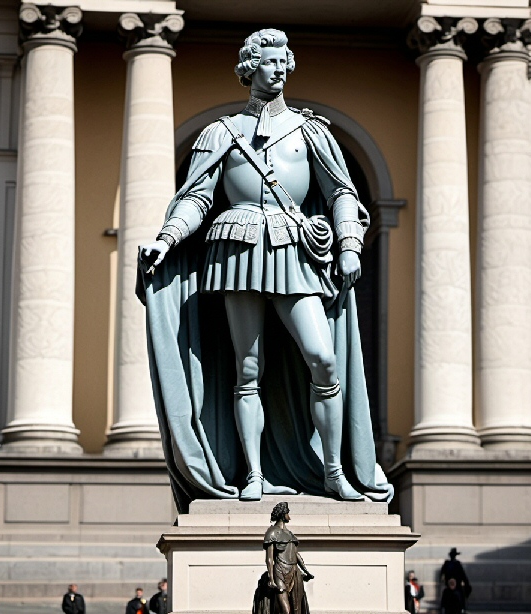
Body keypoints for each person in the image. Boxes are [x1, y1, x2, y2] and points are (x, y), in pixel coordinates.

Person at [138, 27, 393, 511]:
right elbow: (196, 197)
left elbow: (341, 192)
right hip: (236, 248)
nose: (279, 69)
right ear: (248, 69)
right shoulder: (221, 133)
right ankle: (253, 474)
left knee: (323, 359)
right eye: (269, 62)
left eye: (284, 61)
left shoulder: (311, 131)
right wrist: (166, 239)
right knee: (247, 369)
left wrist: (350, 246)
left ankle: (334, 470)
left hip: (294, 248)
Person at [252, 502, 313, 614]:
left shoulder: (289, 534)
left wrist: (306, 571)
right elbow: (269, 559)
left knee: (297, 610)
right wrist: (271, 578)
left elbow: (296, 555)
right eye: (287, 514)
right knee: (286, 611)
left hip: (294, 572)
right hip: (279, 572)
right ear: (283, 514)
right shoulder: (272, 533)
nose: (289, 517)